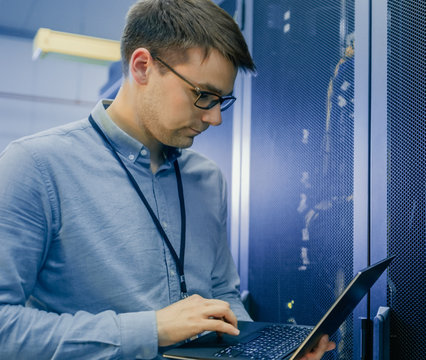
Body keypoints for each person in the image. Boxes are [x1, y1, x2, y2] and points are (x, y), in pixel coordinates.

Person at [0, 0, 336, 359]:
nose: (214, 119)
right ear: (143, 67)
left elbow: (222, 293)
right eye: (203, 96)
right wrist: (151, 330)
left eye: (221, 100)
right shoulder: (34, 166)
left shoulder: (207, 179)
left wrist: (262, 353)